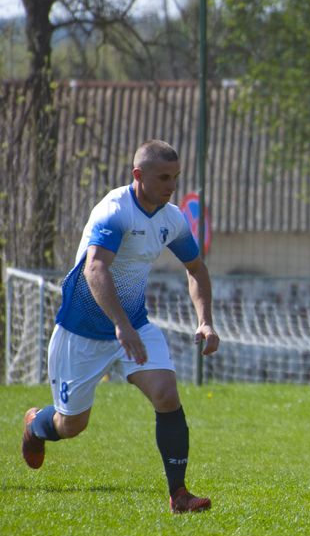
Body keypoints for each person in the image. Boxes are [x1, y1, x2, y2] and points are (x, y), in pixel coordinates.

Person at [20, 140, 220, 513]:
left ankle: (179, 495)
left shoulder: (171, 218)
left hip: (134, 324)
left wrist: (205, 321)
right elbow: (96, 268)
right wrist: (119, 324)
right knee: (71, 425)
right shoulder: (115, 211)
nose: (171, 185)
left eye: (175, 177)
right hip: (81, 330)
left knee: (166, 394)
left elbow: (196, 269)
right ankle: (37, 424)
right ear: (138, 175)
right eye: (163, 177)